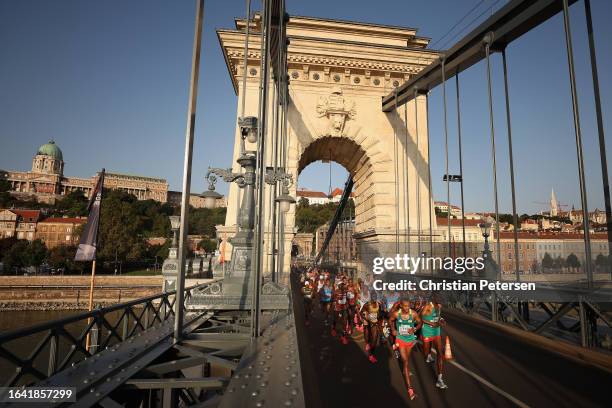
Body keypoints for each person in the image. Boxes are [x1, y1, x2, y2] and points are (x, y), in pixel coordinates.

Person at [389, 299, 422, 400]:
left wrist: (415, 329)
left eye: (408, 306)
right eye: (405, 306)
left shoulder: (414, 314)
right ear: (401, 306)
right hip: (401, 339)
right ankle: (410, 388)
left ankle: (404, 368)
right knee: (406, 361)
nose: (407, 308)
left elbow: (420, 323)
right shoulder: (396, 314)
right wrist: (393, 329)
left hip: (410, 340)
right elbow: (390, 320)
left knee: (406, 358)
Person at [420, 294, 447, 389]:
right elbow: (421, 318)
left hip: (436, 331)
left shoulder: (439, 306)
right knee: (426, 352)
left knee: (440, 353)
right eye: (439, 298)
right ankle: (428, 355)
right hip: (427, 331)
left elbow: (438, 316)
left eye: (441, 298)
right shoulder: (428, 306)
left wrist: (442, 320)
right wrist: (431, 323)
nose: (441, 300)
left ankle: (440, 379)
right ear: (434, 298)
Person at [361, 292, 383, 363]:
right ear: (370, 297)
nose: (374, 298)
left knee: (374, 339)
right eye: (373, 296)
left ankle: (371, 354)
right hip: (367, 320)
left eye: (375, 296)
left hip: (374, 322)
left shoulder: (378, 304)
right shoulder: (367, 304)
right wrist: (367, 318)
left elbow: (379, 314)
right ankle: (367, 343)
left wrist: (380, 324)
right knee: (367, 334)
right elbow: (361, 313)